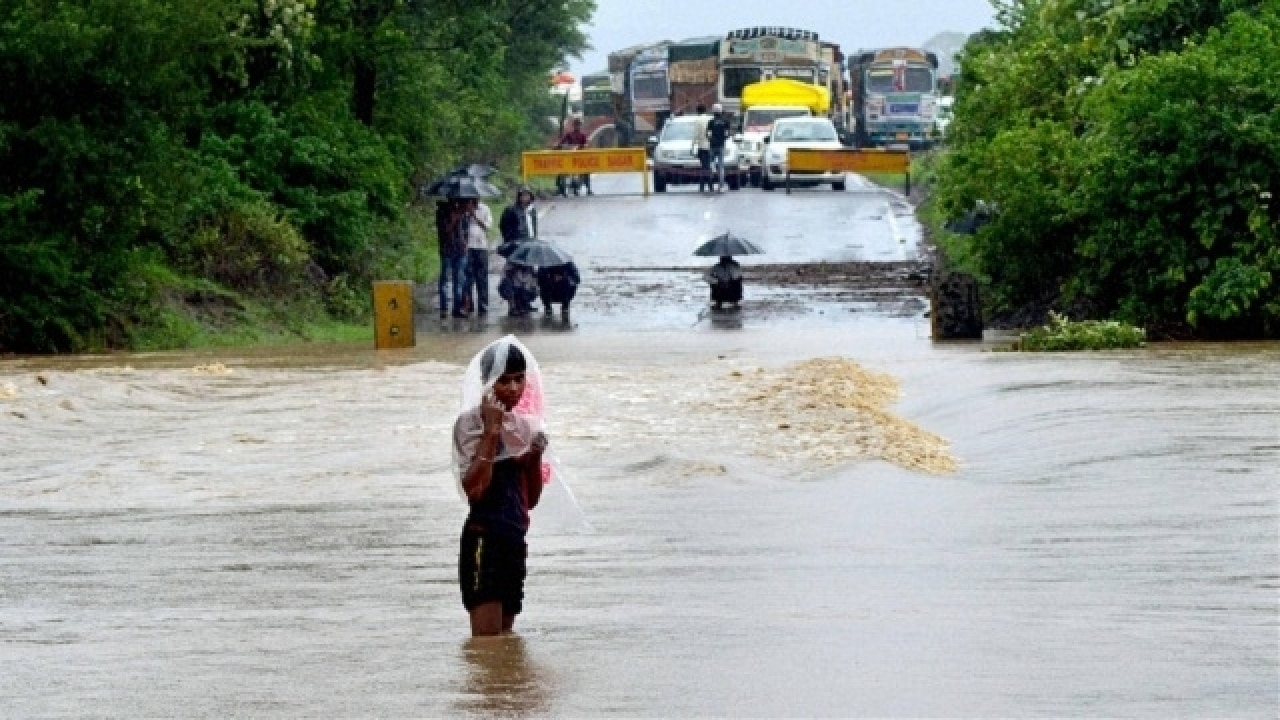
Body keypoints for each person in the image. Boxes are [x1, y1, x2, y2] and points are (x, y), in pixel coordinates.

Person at [453, 337, 549, 637]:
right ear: (487, 382)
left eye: (519, 380)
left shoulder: (524, 427)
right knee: (486, 644)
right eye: (503, 381)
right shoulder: (470, 425)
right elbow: (475, 491)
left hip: (514, 541)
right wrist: (492, 429)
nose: (512, 389)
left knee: (505, 643)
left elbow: (529, 500)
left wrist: (533, 458)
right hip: (485, 539)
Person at [462, 198, 494, 315]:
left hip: (481, 247)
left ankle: (483, 306)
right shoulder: (463, 208)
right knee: (467, 278)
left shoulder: (485, 209)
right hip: (468, 247)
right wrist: (467, 213)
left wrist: (474, 215)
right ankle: (468, 304)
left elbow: (488, 227)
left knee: (482, 278)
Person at [439, 200, 470, 318]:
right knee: (445, 280)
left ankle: (457, 308)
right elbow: (444, 231)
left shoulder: (464, 214)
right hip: (447, 250)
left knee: (459, 280)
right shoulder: (442, 212)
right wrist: (453, 220)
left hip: (460, 251)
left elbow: (466, 232)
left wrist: (465, 244)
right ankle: (443, 308)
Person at [556, 118, 592, 196]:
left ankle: (588, 189)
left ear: (580, 126)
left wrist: (584, 146)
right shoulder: (569, 135)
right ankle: (559, 188)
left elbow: (586, 144)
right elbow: (562, 142)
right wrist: (559, 145)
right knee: (560, 170)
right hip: (569, 157)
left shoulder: (583, 135)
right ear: (573, 125)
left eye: (578, 125)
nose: (577, 126)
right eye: (576, 124)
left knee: (587, 170)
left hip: (580, 158)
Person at [706, 103, 732, 193]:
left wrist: (712, 140)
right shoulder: (726, 121)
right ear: (721, 111)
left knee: (711, 164)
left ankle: (711, 185)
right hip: (721, 146)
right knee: (721, 166)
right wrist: (723, 139)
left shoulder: (711, 122)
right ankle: (721, 186)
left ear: (713, 111)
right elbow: (727, 134)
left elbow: (708, 135)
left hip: (712, 146)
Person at [692, 104, 712, 193]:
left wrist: (693, 146)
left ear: (698, 111)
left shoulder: (697, 120)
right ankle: (708, 185)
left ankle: (704, 185)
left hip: (702, 146)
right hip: (711, 146)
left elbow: (695, 135)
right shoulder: (710, 119)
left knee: (704, 166)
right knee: (707, 166)